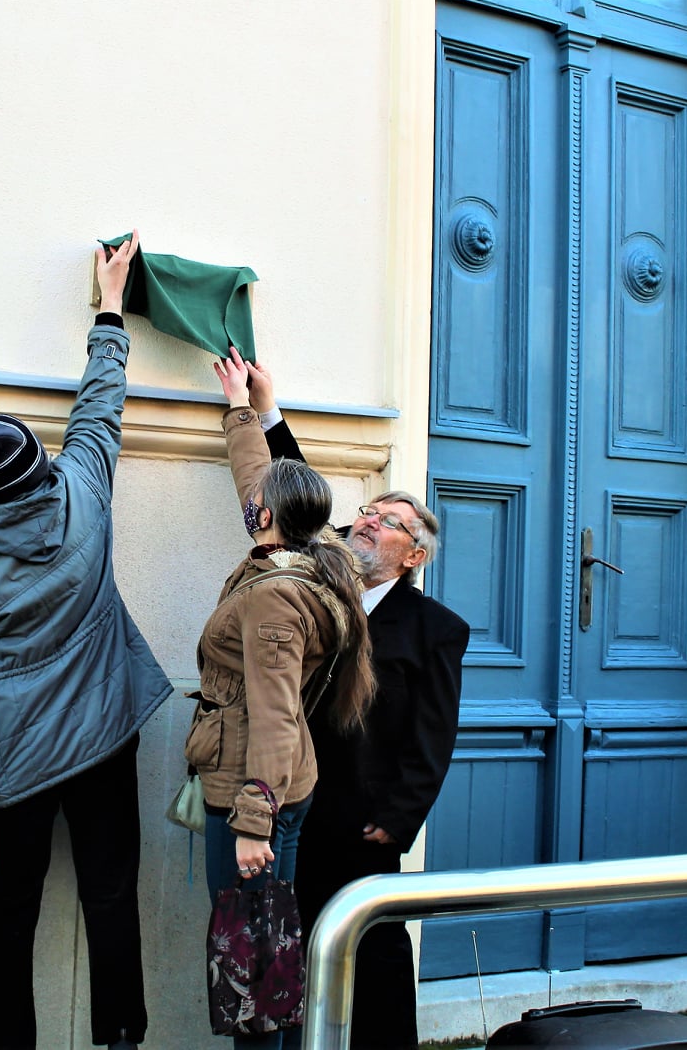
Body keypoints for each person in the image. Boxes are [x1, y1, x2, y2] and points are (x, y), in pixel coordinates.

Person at [0, 231, 171, 1050]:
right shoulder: (84, 488)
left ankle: (5, 1043)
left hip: (18, 754)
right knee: (111, 891)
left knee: (10, 900)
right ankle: (120, 1037)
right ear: (39, 463)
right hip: (105, 737)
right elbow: (100, 405)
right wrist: (109, 305)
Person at [249, 361, 469, 1050]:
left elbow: (434, 735)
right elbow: (297, 489)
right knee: (286, 952)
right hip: (295, 804)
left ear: (414, 555)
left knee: (374, 957)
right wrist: (265, 411)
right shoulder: (326, 583)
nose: (369, 521)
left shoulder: (436, 628)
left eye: (390, 520)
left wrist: (398, 820)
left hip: (360, 823)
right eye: (368, 512)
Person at [191, 349, 377, 1050]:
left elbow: (273, 716)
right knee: (263, 953)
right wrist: (245, 409)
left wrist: (252, 823)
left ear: (266, 515)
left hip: (255, 788)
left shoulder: (275, 598)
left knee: (254, 969)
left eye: (257, 503)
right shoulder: (313, 555)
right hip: (276, 782)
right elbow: (255, 478)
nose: (250, 502)